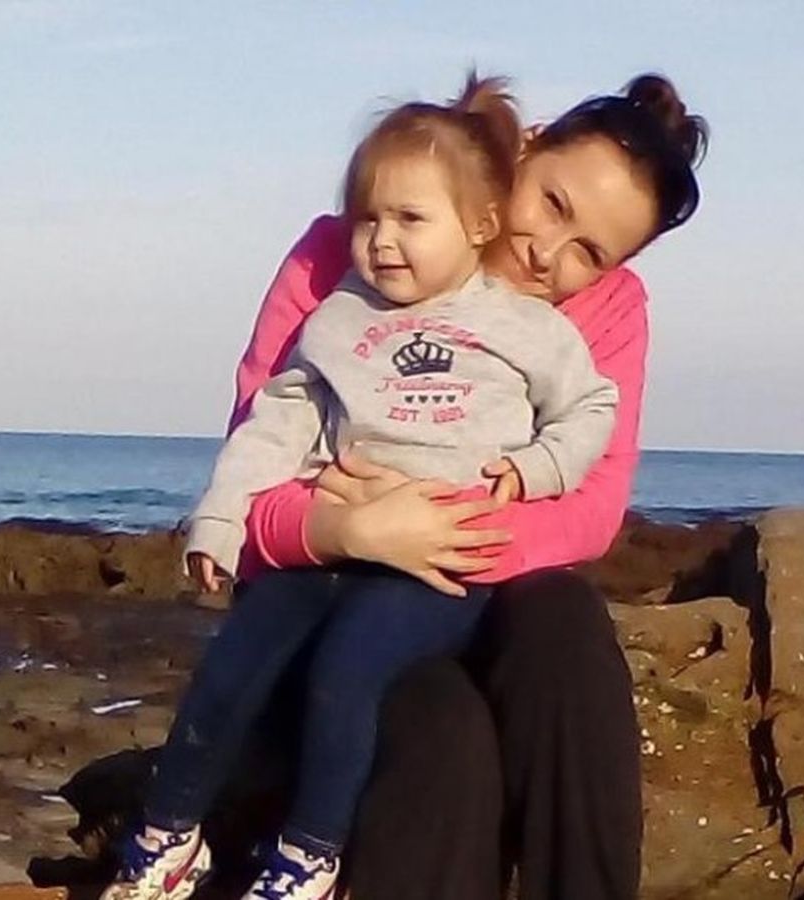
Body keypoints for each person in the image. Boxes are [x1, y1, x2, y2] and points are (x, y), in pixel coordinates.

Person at [102, 74, 619, 900]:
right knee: (236, 658)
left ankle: (309, 854)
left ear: (479, 224)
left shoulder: (524, 326)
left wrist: (536, 468)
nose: (382, 241)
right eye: (369, 219)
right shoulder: (339, 318)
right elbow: (276, 421)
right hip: (332, 550)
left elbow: (592, 407)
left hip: (435, 568)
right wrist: (223, 518)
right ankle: (168, 836)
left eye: (411, 220)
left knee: (351, 667)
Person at [226, 73, 708, 900]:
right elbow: (252, 490)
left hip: (477, 595)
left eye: (589, 252)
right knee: (442, 732)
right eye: (552, 203)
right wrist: (355, 532)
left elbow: (593, 507)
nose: (548, 253)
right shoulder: (349, 251)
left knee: (564, 624)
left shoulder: (610, 310)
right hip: (335, 604)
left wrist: (429, 525)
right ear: (526, 149)